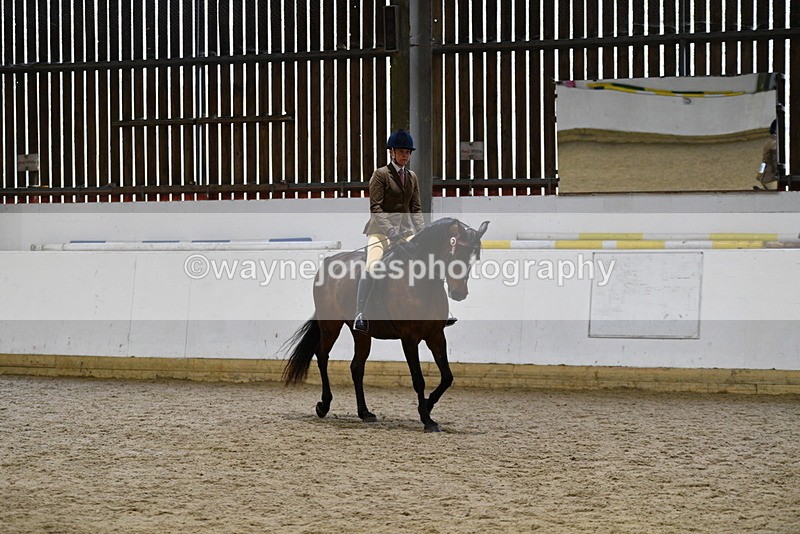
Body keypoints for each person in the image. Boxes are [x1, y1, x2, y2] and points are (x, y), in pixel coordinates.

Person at [353, 129, 456, 332]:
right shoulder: (380, 175)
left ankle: (441, 311)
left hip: (405, 231)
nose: (405, 156)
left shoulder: (412, 177)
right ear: (391, 152)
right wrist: (390, 231)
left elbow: (416, 209)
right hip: (380, 232)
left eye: (408, 152)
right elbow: (376, 208)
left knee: (428, 261)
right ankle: (360, 313)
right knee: (373, 265)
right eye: (401, 151)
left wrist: (423, 233)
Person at [753, 119, 779, 191]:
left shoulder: (770, 141)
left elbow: (764, 162)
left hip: (765, 176)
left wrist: (760, 174)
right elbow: (776, 163)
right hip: (771, 178)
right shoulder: (775, 143)